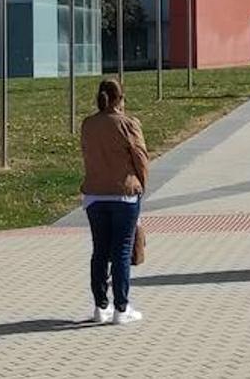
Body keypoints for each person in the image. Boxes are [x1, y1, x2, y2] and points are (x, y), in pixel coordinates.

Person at [81, 79, 149, 325]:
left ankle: (101, 306)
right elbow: (141, 158)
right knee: (121, 251)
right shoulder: (128, 124)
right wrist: (142, 184)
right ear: (121, 99)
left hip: (94, 195)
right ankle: (122, 308)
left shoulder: (88, 124)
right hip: (124, 194)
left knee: (99, 251)